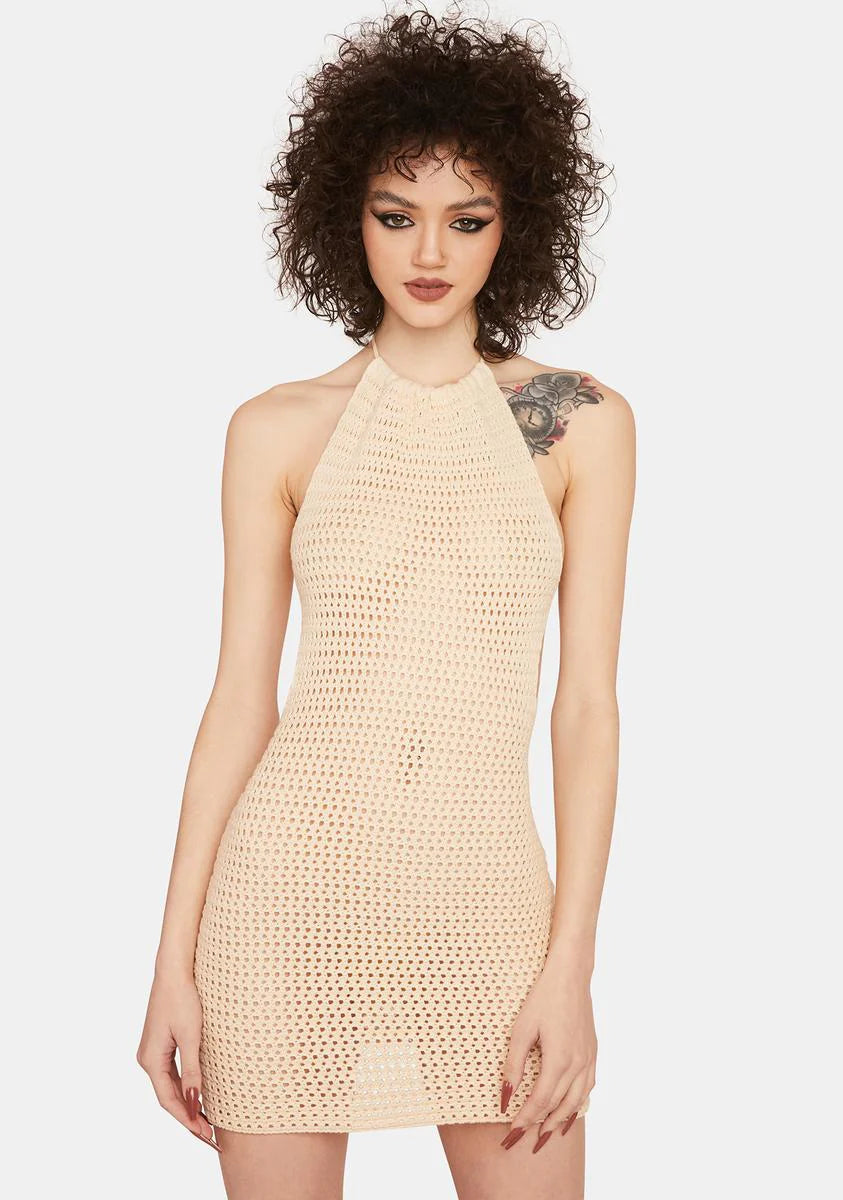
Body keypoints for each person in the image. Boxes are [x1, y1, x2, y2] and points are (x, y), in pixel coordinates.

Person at [136, 6, 635, 1197]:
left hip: (489, 909)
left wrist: (572, 963)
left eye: (468, 219)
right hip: (283, 910)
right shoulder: (276, 429)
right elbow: (239, 702)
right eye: (395, 214)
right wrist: (171, 963)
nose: (430, 252)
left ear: (516, 225)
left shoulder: (578, 421)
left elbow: (586, 710)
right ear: (344, 217)